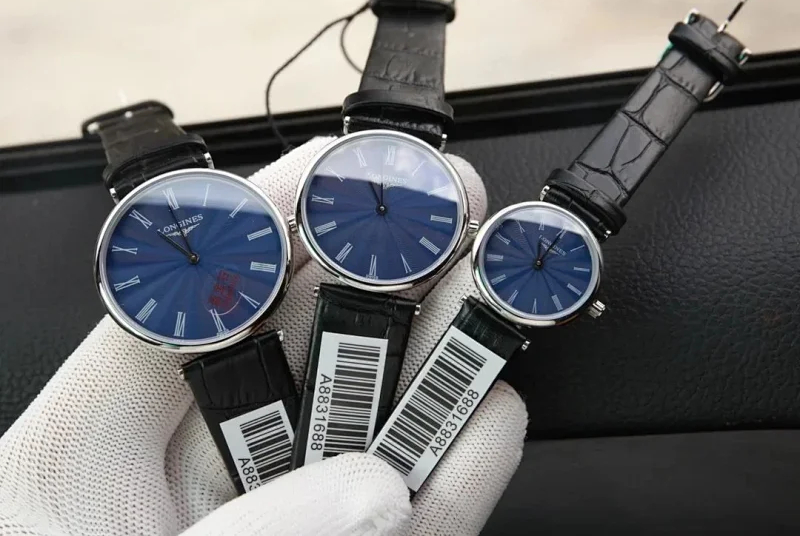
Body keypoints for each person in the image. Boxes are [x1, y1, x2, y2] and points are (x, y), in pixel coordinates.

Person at [0, 138, 527, 536]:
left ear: (286, 232)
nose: (194, 256)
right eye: (186, 256)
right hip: (217, 350)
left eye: (198, 251)